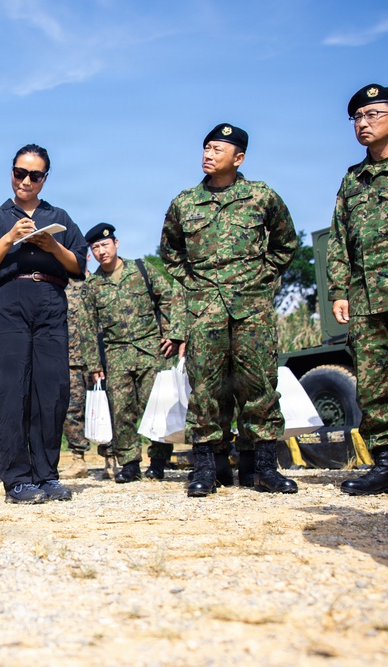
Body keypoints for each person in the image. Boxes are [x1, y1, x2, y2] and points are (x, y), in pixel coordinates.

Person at [160, 124, 298, 497]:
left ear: (238, 158)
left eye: (218, 149)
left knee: (259, 385)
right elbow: (171, 254)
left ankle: (265, 468)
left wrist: (261, 278)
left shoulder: (261, 196)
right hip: (204, 309)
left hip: (252, 308)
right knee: (205, 388)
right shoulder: (185, 202)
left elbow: (285, 243)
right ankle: (205, 468)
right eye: (206, 147)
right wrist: (195, 287)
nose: (208, 154)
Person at [0, 143, 87, 504]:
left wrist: (53, 246)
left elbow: (79, 267)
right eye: (20, 172)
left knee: (50, 391)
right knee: (10, 390)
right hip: (10, 301)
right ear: (11, 173)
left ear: (44, 179)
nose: (25, 180)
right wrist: (10, 237)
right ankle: (17, 479)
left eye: (34, 175)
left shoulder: (61, 217)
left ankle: (47, 474)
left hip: (51, 302)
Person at [328, 83, 388, 495]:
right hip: (367, 299)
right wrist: (340, 291)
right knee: (375, 386)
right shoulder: (353, 181)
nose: (363, 122)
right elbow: (339, 241)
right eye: (357, 117)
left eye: (373, 113)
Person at [79, 223, 185, 484]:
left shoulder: (141, 269)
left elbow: (168, 297)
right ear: (91, 254)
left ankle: (159, 462)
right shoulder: (92, 286)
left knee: (156, 407)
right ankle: (129, 464)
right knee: (122, 410)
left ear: (116, 243)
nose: (102, 251)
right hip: (116, 353)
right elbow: (87, 326)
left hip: (151, 349)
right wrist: (94, 364)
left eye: (105, 244)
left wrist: (172, 333)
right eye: (95, 248)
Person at [61, 273, 91, 479]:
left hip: (104, 356)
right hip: (70, 360)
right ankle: (78, 458)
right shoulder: (58, 286)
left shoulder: (96, 283)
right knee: (72, 410)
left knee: (111, 406)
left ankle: (113, 459)